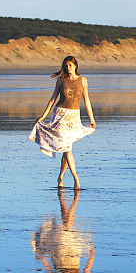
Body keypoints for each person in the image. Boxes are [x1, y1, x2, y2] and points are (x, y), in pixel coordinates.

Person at [29, 56, 96, 189]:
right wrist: (43, 116)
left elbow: (86, 101)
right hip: (60, 116)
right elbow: (53, 99)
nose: (68, 68)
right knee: (67, 148)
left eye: (70, 65)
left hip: (73, 117)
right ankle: (76, 179)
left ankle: (60, 177)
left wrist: (92, 118)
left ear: (75, 65)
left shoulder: (83, 81)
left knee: (67, 147)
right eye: (66, 66)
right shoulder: (61, 80)